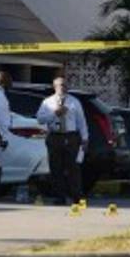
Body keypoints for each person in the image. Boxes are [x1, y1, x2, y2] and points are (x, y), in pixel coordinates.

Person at [36, 75, 89, 204]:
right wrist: (54, 113)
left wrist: (85, 138)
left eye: (65, 85)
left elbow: (81, 121)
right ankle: (60, 196)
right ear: (55, 87)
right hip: (55, 136)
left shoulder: (74, 102)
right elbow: (40, 119)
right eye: (61, 85)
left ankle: (76, 196)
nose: (63, 87)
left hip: (71, 136)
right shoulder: (47, 102)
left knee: (73, 167)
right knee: (56, 168)